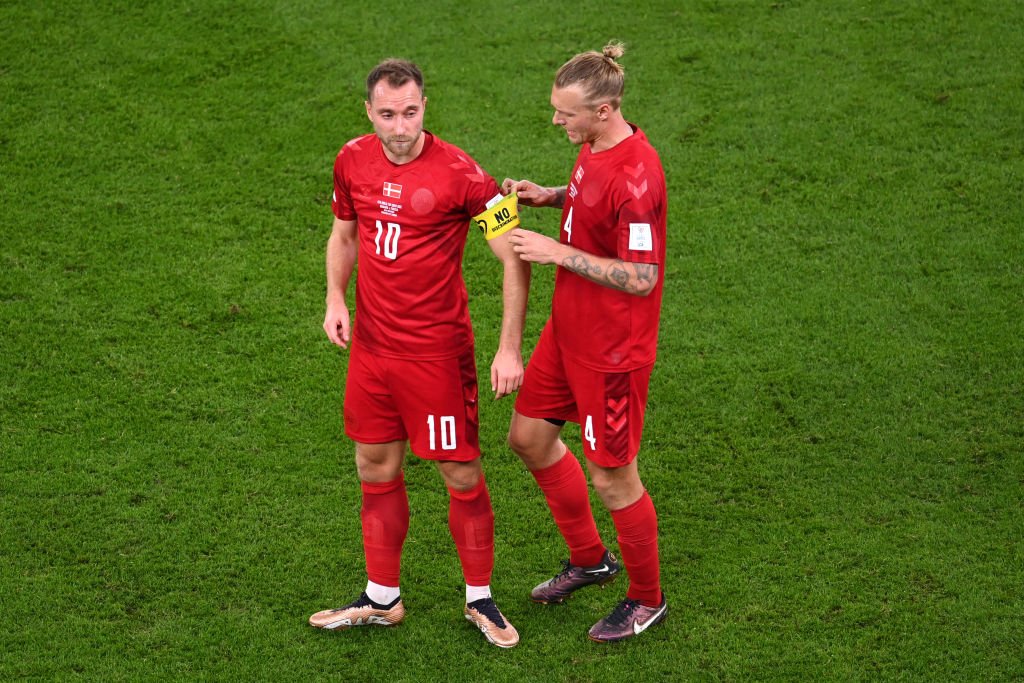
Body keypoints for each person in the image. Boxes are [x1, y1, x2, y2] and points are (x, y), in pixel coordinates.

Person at [309, 58, 530, 649]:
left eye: (410, 113)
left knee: (459, 472)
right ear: (368, 112)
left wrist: (510, 348)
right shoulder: (351, 158)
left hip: (436, 354)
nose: (400, 127)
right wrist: (336, 297)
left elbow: (513, 257)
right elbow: (345, 232)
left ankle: (479, 598)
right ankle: (382, 598)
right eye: (387, 114)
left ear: (424, 106)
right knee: (374, 467)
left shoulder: (466, 175)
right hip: (373, 353)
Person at [502, 41, 668, 643]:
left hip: (612, 353)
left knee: (613, 476)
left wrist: (557, 252)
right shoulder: (593, 146)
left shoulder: (640, 174)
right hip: (567, 333)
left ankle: (647, 599)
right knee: (528, 438)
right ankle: (591, 560)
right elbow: (593, 200)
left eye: (565, 112)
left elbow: (643, 275)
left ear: (604, 109)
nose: (556, 120)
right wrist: (551, 196)